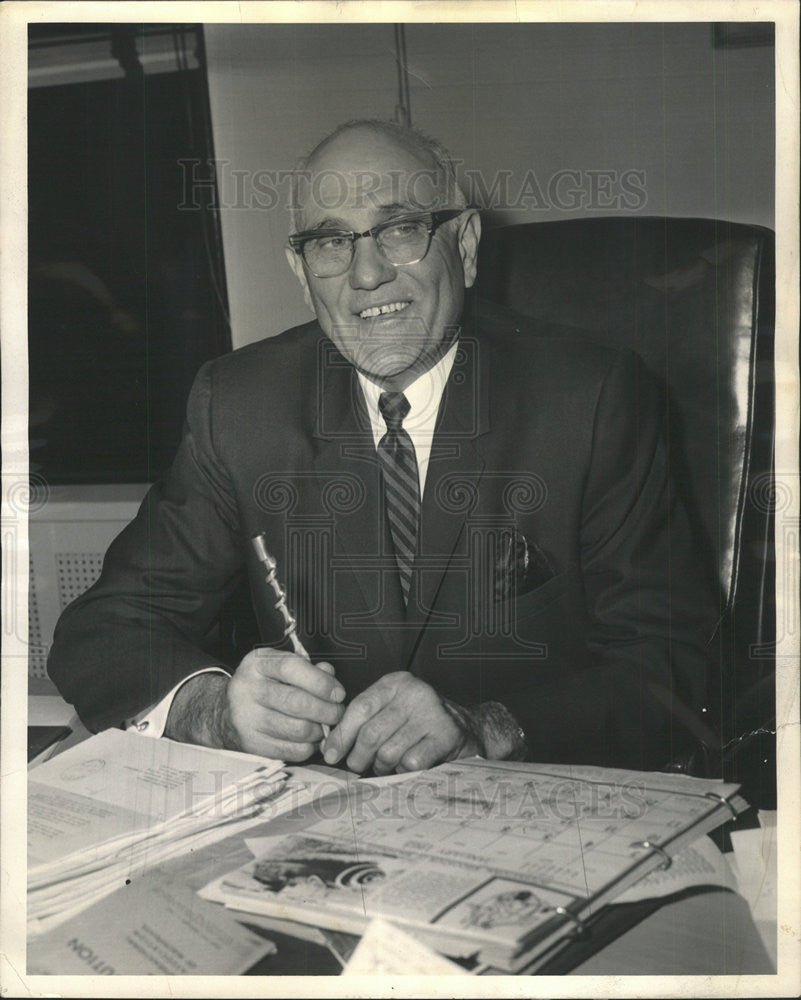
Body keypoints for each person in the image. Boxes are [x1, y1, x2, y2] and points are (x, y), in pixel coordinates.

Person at [48, 119, 717, 775]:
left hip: (538, 811)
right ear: (300, 271)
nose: (365, 274)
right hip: (318, 823)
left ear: (465, 243)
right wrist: (212, 709)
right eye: (329, 243)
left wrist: (487, 726)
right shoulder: (240, 404)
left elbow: (680, 663)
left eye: (400, 230)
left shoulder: (589, 398)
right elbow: (107, 628)